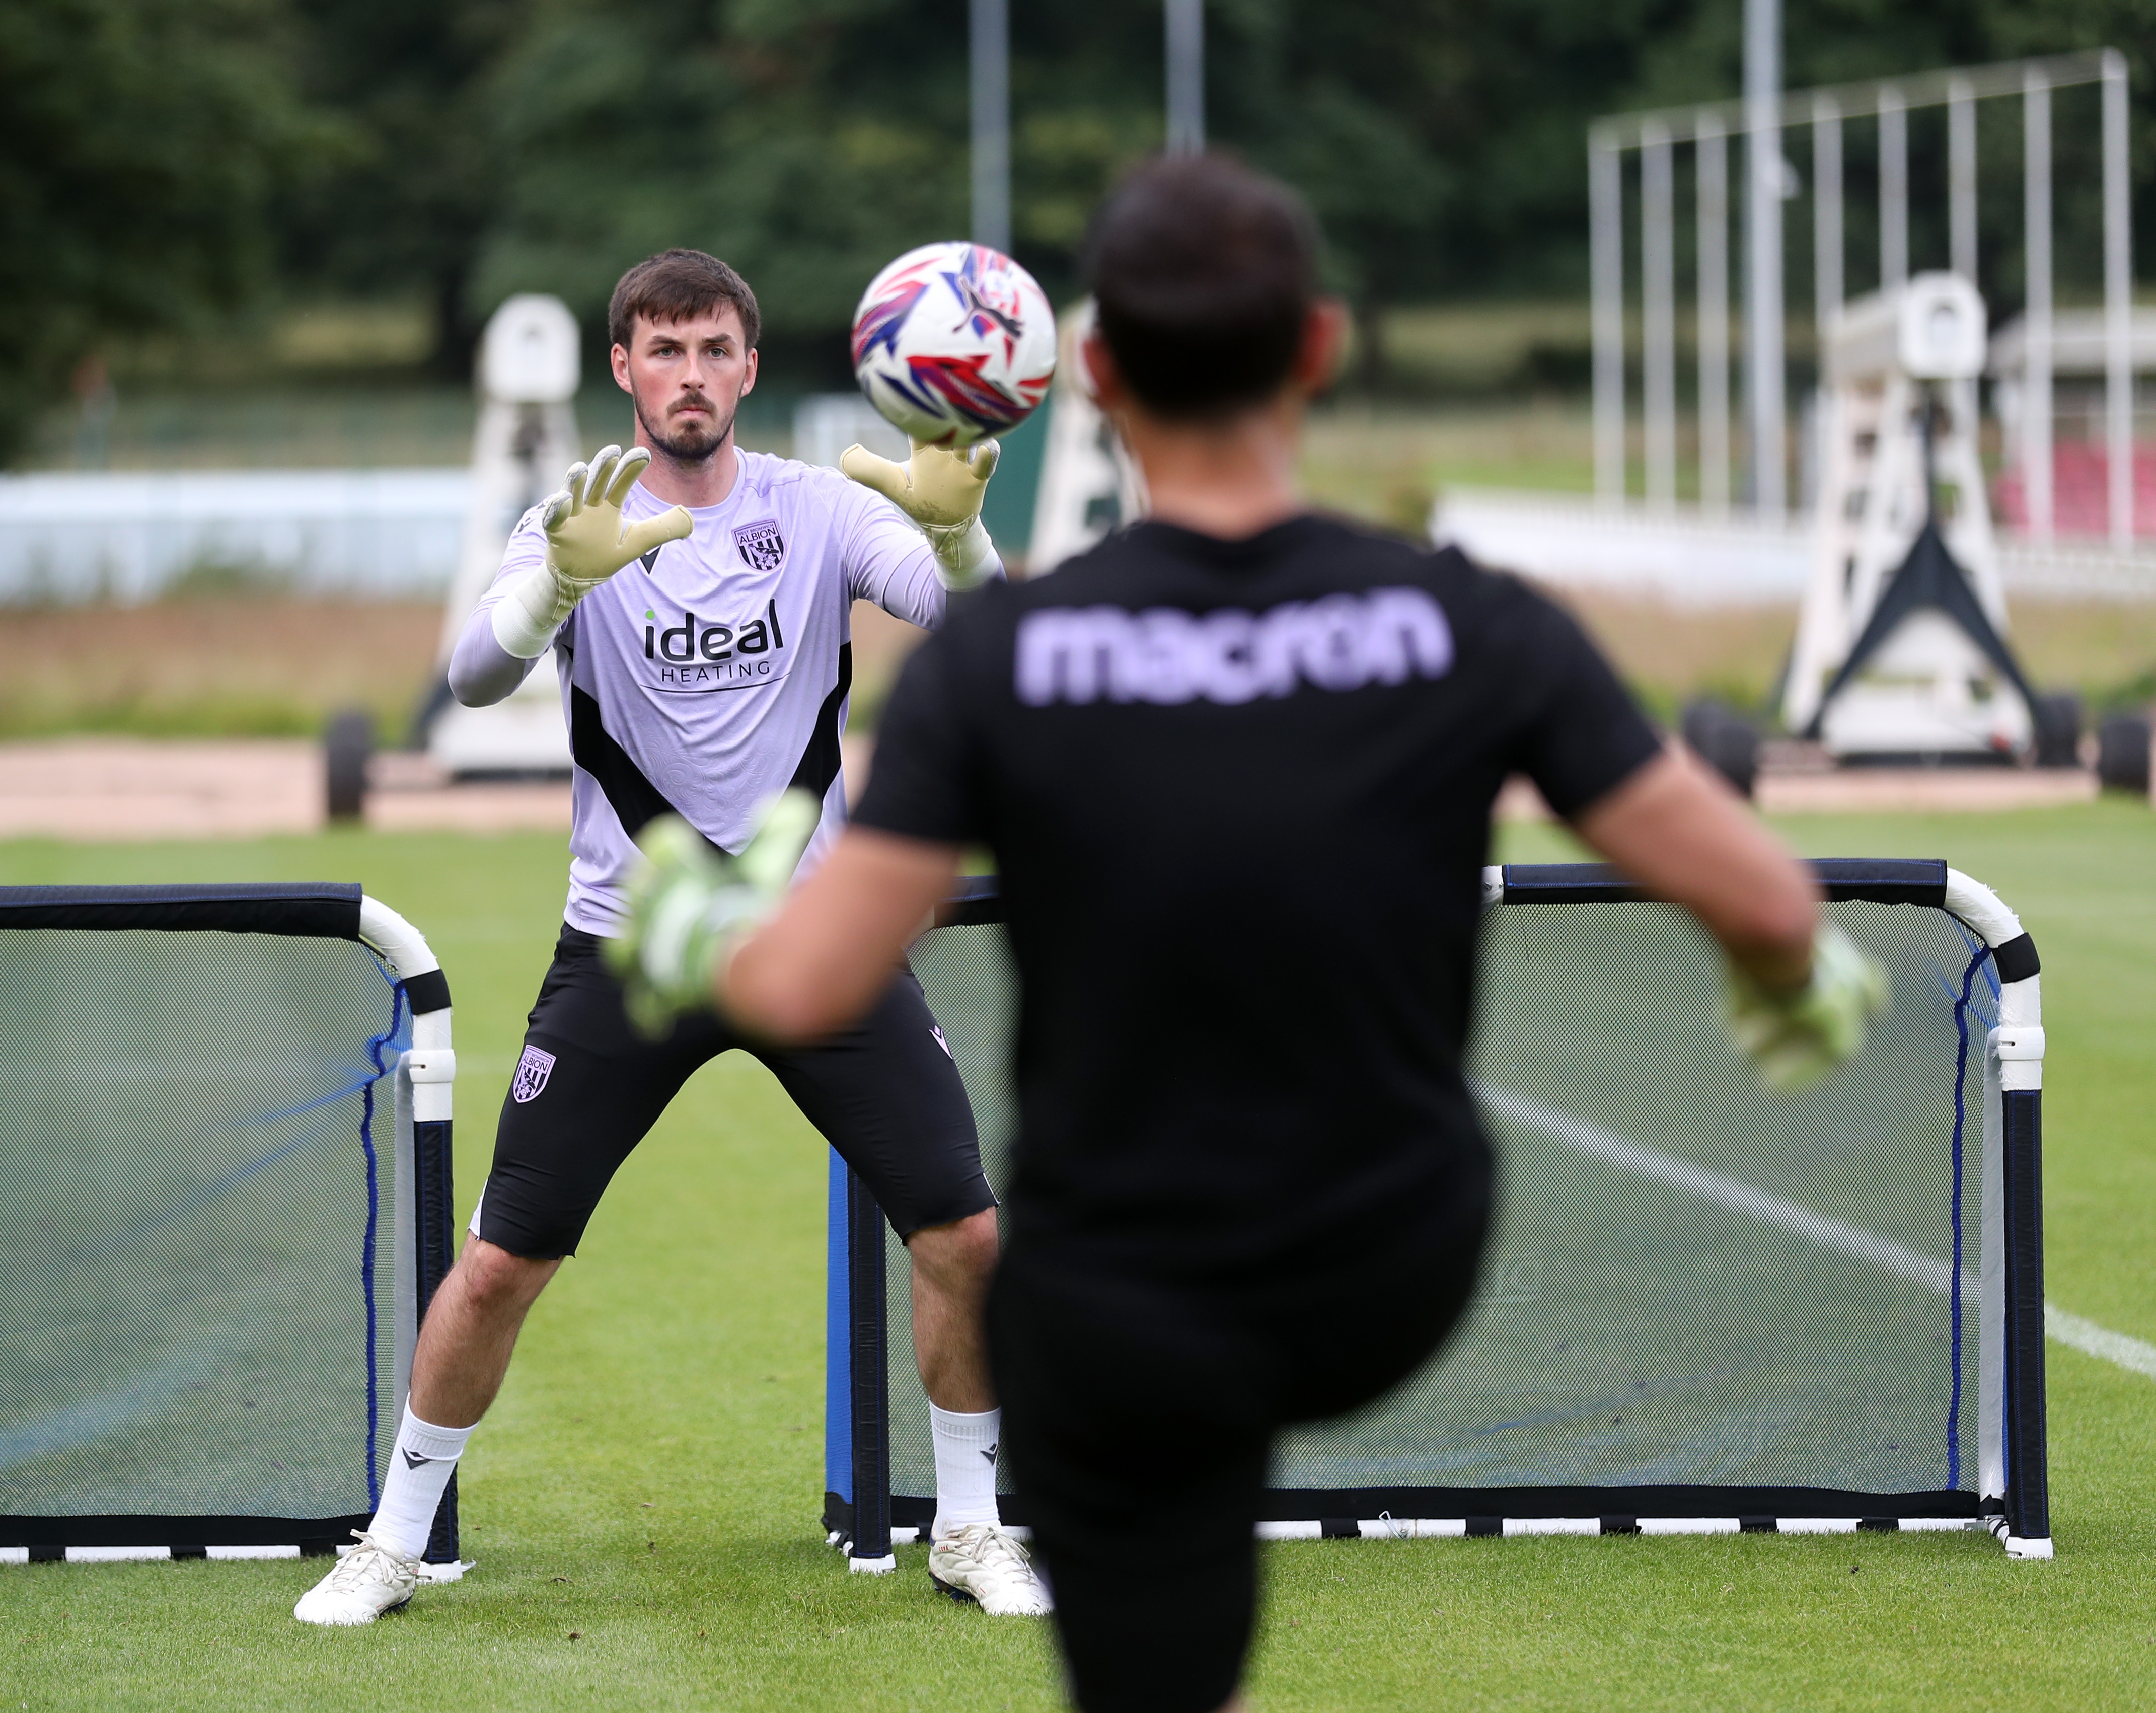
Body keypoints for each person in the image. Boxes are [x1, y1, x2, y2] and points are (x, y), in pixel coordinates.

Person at [611, 158, 1887, 1713]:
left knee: (1157, 1604)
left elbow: (812, 976)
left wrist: (688, 919)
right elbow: (1763, 897)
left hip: (1128, 1285)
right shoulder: (1466, 620)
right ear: (1319, 351)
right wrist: (1788, 971)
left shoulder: (1011, 657)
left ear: (1090, 376)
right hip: (1396, 1259)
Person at [294, 248, 1053, 1625]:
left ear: (749, 368)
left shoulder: (819, 507)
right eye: (664, 348)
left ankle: (970, 1526)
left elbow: (985, 630)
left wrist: (958, 537)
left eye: (714, 348)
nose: (690, 373)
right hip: (632, 952)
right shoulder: (574, 514)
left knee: (964, 1234)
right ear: (624, 369)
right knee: (504, 1261)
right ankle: (392, 1540)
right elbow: (471, 677)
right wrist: (552, 589)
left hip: (815, 944)